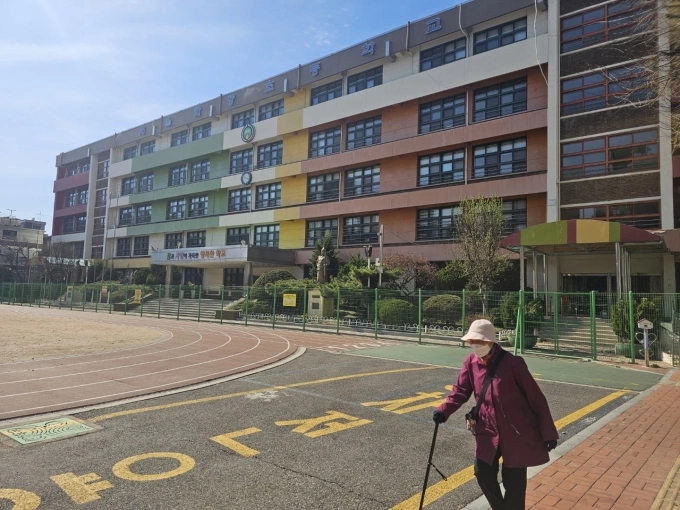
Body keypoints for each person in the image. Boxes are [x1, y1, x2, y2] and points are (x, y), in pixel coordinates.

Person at [432, 319, 558, 510]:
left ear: (490, 341)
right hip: (487, 429)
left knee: (514, 483)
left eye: (479, 341)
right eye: (472, 342)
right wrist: (444, 410)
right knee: (482, 472)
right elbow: (460, 391)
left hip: (515, 431)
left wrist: (548, 432)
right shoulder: (470, 362)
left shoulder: (513, 363)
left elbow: (536, 399)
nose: (475, 345)